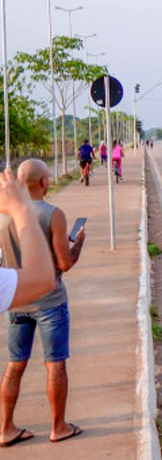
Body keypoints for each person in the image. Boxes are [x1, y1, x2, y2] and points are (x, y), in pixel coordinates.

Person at [0, 160, 85, 446]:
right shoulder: (53, 214)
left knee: (15, 364)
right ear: (44, 183)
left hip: (15, 300)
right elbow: (64, 264)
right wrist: (79, 244)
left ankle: (6, 428)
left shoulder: (3, 216)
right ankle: (58, 426)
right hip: (50, 302)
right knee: (55, 364)